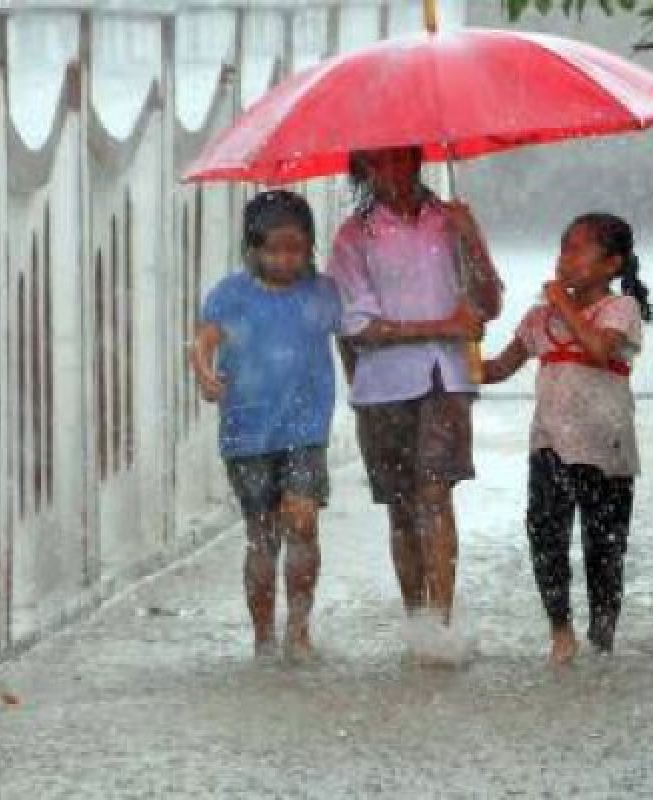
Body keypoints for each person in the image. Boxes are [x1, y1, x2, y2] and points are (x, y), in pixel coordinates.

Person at [327, 145, 502, 661]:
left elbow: (489, 303)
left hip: (445, 382)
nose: (395, 172)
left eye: (404, 159)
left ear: (419, 160)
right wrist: (440, 327)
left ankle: (441, 625)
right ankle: (417, 619)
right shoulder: (354, 236)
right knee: (402, 508)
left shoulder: (451, 223)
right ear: (364, 170)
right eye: (381, 163)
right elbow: (359, 325)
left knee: (435, 496)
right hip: (382, 387)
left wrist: (472, 239)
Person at [482, 212, 653, 666]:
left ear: (612, 264)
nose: (566, 258)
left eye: (579, 249)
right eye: (563, 248)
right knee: (546, 536)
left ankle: (602, 636)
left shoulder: (621, 310)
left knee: (605, 548)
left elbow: (600, 351)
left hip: (605, 449)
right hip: (550, 445)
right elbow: (497, 369)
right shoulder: (538, 319)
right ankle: (560, 631)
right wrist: (459, 345)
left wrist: (562, 303)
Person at [189, 190, 342, 663]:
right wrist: (205, 374)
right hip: (247, 431)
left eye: (295, 248)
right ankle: (262, 638)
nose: (284, 259)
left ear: (310, 247)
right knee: (261, 534)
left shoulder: (323, 293)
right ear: (252, 248)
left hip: (305, 429)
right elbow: (202, 342)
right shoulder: (231, 294)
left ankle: (298, 628)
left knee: (303, 521)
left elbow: (355, 340)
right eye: (273, 249)